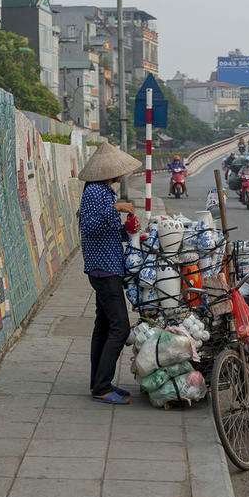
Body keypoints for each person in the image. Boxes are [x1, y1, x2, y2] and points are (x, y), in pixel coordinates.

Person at [78, 142, 142, 405]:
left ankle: (99, 383)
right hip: (104, 269)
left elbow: (107, 230)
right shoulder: (95, 192)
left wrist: (130, 232)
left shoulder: (104, 191)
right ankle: (102, 387)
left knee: (103, 327)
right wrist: (116, 209)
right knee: (120, 327)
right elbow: (90, 226)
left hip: (107, 265)